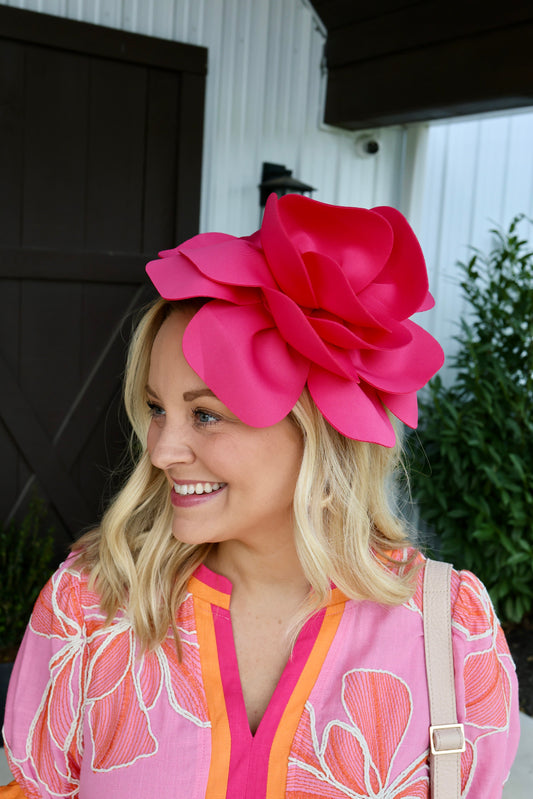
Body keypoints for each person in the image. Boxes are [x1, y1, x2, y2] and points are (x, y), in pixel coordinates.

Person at [2, 194, 519, 798]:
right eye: (156, 409)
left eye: (207, 415)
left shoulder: (450, 628)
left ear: (319, 428)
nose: (163, 449)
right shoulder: (91, 603)